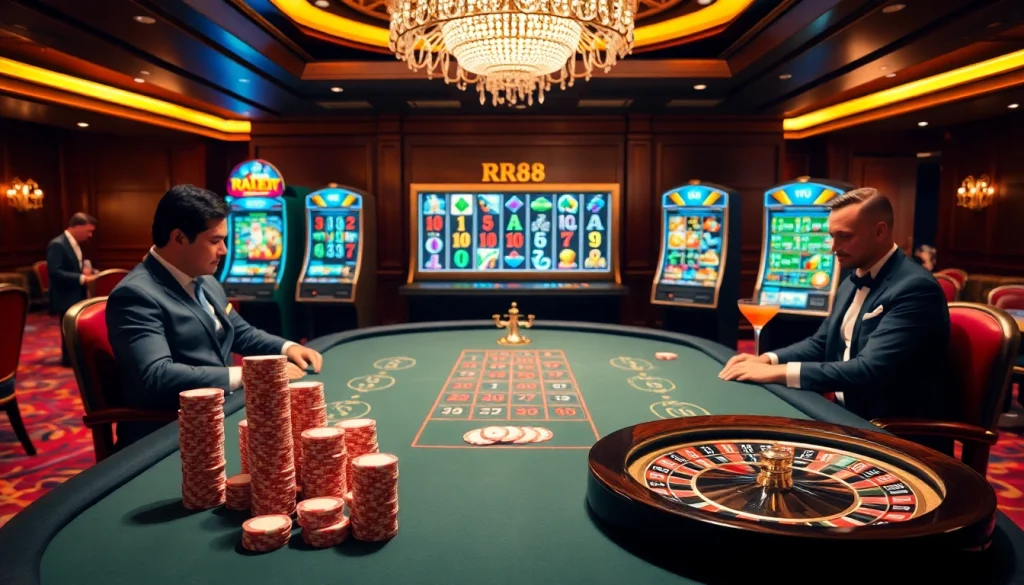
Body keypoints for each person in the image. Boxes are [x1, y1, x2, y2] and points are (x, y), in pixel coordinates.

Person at [719, 188, 951, 449]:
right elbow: (820, 342)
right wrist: (767, 359)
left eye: (844, 237)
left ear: (880, 232)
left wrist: (776, 373)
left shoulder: (915, 288)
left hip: (892, 434)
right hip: (844, 416)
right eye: (831, 236)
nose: (832, 248)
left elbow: (868, 369)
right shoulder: (851, 279)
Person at [106, 184, 323, 448]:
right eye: (214, 241)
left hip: (222, 410)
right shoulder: (136, 295)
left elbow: (240, 333)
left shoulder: (204, 279)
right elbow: (157, 375)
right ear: (179, 238)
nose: (224, 251)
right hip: (175, 432)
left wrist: (286, 346)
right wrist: (249, 376)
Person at [47, 212, 98, 366]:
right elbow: (55, 272)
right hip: (65, 294)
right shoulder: (58, 244)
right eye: (88, 231)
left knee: (74, 328)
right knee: (67, 329)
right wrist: (82, 278)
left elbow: (75, 267)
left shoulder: (75, 243)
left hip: (76, 293)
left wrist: (91, 272)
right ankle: (69, 360)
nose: (90, 235)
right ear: (76, 227)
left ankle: (75, 358)